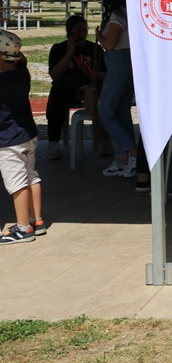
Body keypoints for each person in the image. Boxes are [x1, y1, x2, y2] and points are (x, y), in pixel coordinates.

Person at [0, 31, 45, 244]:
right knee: (31, 176)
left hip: (9, 142)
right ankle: (37, 219)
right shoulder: (22, 73)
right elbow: (22, 60)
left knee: (16, 182)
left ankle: (23, 228)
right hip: (28, 135)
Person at [96, 0, 139, 179]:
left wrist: (99, 36)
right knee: (121, 112)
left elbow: (110, 43)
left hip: (118, 62)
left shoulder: (117, 14)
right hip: (129, 62)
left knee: (104, 112)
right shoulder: (130, 10)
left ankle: (133, 152)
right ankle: (124, 159)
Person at [45, 15, 105, 161]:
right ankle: (53, 142)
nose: (82, 34)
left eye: (84, 30)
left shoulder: (95, 49)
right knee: (56, 97)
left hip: (91, 87)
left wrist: (92, 73)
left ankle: (104, 138)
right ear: (69, 32)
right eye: (78, 30)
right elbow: (54, 74)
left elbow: (106, 75)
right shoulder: (59, 49)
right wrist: (70, 53)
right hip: (67, 89)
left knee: (106, 97)